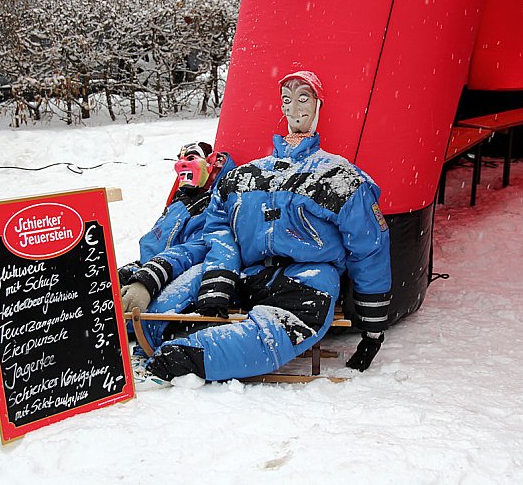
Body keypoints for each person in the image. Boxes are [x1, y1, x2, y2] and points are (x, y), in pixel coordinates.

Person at [136, 70, 392, 389]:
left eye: (304, 99)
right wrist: (218, 281)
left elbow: (370, 249)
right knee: (192, 277)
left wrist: (372, 330)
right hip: (250, 272)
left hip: (307, 279)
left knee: (276, 333)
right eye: (287, 100)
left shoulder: (340, 177)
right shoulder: (242, 177)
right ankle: (139, 333)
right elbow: (219, 234)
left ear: (318, 106)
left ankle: (184, 359)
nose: (295, 109)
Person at [118, 142, 235, 353]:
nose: (182, 165)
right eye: (180, 160)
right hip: (158, 268)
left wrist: (149, 278)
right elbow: (153, 247)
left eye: (190, 159)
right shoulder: (180, 202)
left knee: (148, 321)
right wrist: (132, 273)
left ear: (211, 163)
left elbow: (195, 249)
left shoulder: (214, 205)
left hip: (185, 275)